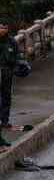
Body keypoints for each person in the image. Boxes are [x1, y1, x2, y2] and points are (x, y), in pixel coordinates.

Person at [0, 19, 21, 148]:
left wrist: (15, 68)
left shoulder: (11, 41)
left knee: (6, 96)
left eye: (4, 28)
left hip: (7, 72)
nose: (2, 30)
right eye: (1, 27)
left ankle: (5, 120)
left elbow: (17, 56)